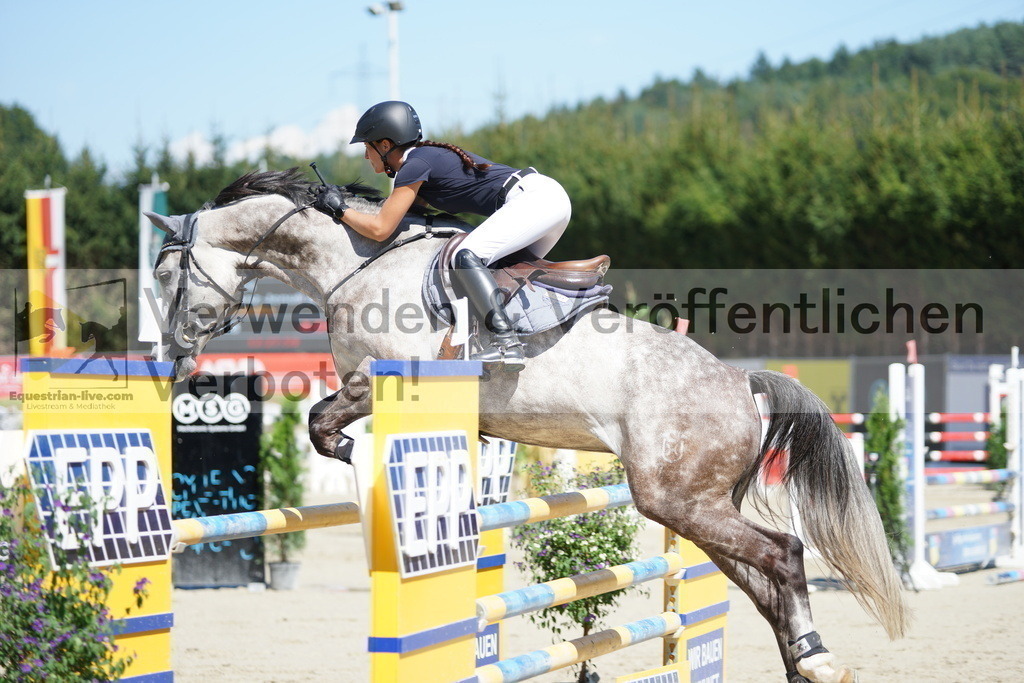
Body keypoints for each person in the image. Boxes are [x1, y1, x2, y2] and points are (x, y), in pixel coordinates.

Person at [313, 100, 572, 372]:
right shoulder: (422, 162)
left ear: (385, 145)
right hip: (545, 200)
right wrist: (349, 202)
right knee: (495, 276)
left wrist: (339, 209)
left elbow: (380, 229)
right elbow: (396, 218)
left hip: (537, 200)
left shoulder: (414, 165)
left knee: (465, 256)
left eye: (368, 147)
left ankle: (506, 344)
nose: (367, 156)